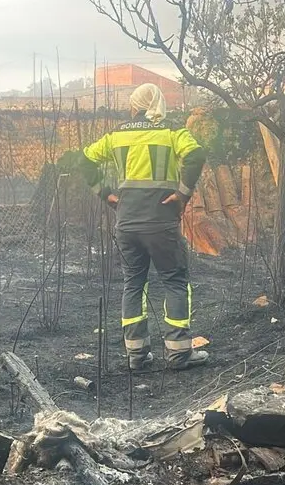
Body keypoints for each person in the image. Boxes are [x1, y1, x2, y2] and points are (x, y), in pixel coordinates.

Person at [79, 83, 208, 370]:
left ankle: (136, 355)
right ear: (159, 104)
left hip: (126, 223)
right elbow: (196, 155)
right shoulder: (172, 132)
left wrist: (106, 193)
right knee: (174, 281)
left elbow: (85, 160)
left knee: (133, 283)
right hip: (161, 222)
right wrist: (183, 194)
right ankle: (178, 353)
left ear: (134, 106)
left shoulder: (114, 136)